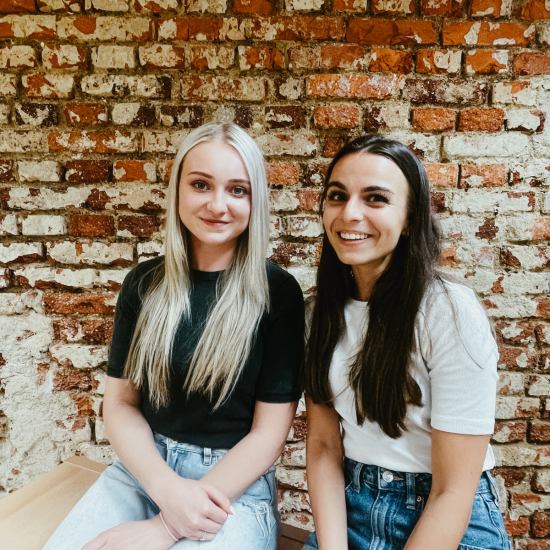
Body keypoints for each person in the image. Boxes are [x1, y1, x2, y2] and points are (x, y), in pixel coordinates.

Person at [43, 122, 305, 550]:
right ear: (178, 189)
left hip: (231, 489)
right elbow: (121, 404)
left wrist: (165, 528)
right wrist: (165, 490)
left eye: (237, 190)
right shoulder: (144, 284)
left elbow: (269, 434)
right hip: (145, 471)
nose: (218, 204)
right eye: (201, 184)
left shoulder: (277, 293)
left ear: (255, 199)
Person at [301, 134, 508, 550]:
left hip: (444, 516)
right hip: (352, 508)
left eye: (375, 198)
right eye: (337, 196)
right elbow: (323, 446)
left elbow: (452, 492)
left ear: (410, 218)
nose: (350, 213)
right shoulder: (317, 313)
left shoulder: (448, 313)